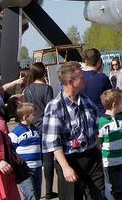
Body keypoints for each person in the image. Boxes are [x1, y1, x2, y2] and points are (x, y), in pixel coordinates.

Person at [42, 61, 105, 199]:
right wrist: (65, 167)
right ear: (71, 81)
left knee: (98, 196)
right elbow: (52, 142)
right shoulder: (55, 107)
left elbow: (95, 127)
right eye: (81, 77)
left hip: (91, 156)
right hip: (69, 160)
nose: (85, 79)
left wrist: (98, 149)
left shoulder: (86, 100)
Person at [22, 62, 57, 199]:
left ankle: (34, 191)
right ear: (44, 73)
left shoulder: (27, 89)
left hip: (32, 126)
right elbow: (50, 108)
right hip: (45, 126)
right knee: (48, 159)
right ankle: (49, 190)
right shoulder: (47, 88)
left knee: (35, 160)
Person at [10, 103, 43, 200]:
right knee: (30, 195)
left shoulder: (36, 130)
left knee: (37, 194)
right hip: (25, 169)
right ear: (25, 117)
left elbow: (39, 147)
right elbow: (11, 149)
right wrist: (16, 156)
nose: (36, 116)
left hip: (37, 167)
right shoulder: (16, 133)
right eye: (33, 115)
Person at [82, 48, 113, 115]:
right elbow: (111, 98)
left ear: (86, 61)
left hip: (83, 115)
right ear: (99, 62)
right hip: (100, 116)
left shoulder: (78, 77)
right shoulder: (103, 78)